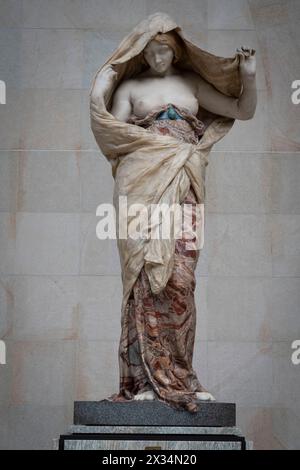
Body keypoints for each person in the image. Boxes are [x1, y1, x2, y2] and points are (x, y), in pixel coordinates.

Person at [90, 12, 257, 413]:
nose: (157, 56)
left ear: (176, 48)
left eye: (164, 49)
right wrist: (102, 84)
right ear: (141, 51)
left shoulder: (192, 83)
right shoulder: (130, 86)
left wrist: (249, 75)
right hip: (140, 185)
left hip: (184, 183)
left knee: (180, 280)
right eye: (150, 50)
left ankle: (180, 375)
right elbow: (109, 130)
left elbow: (242, 110)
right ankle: (144, 381)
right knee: (145, 279)